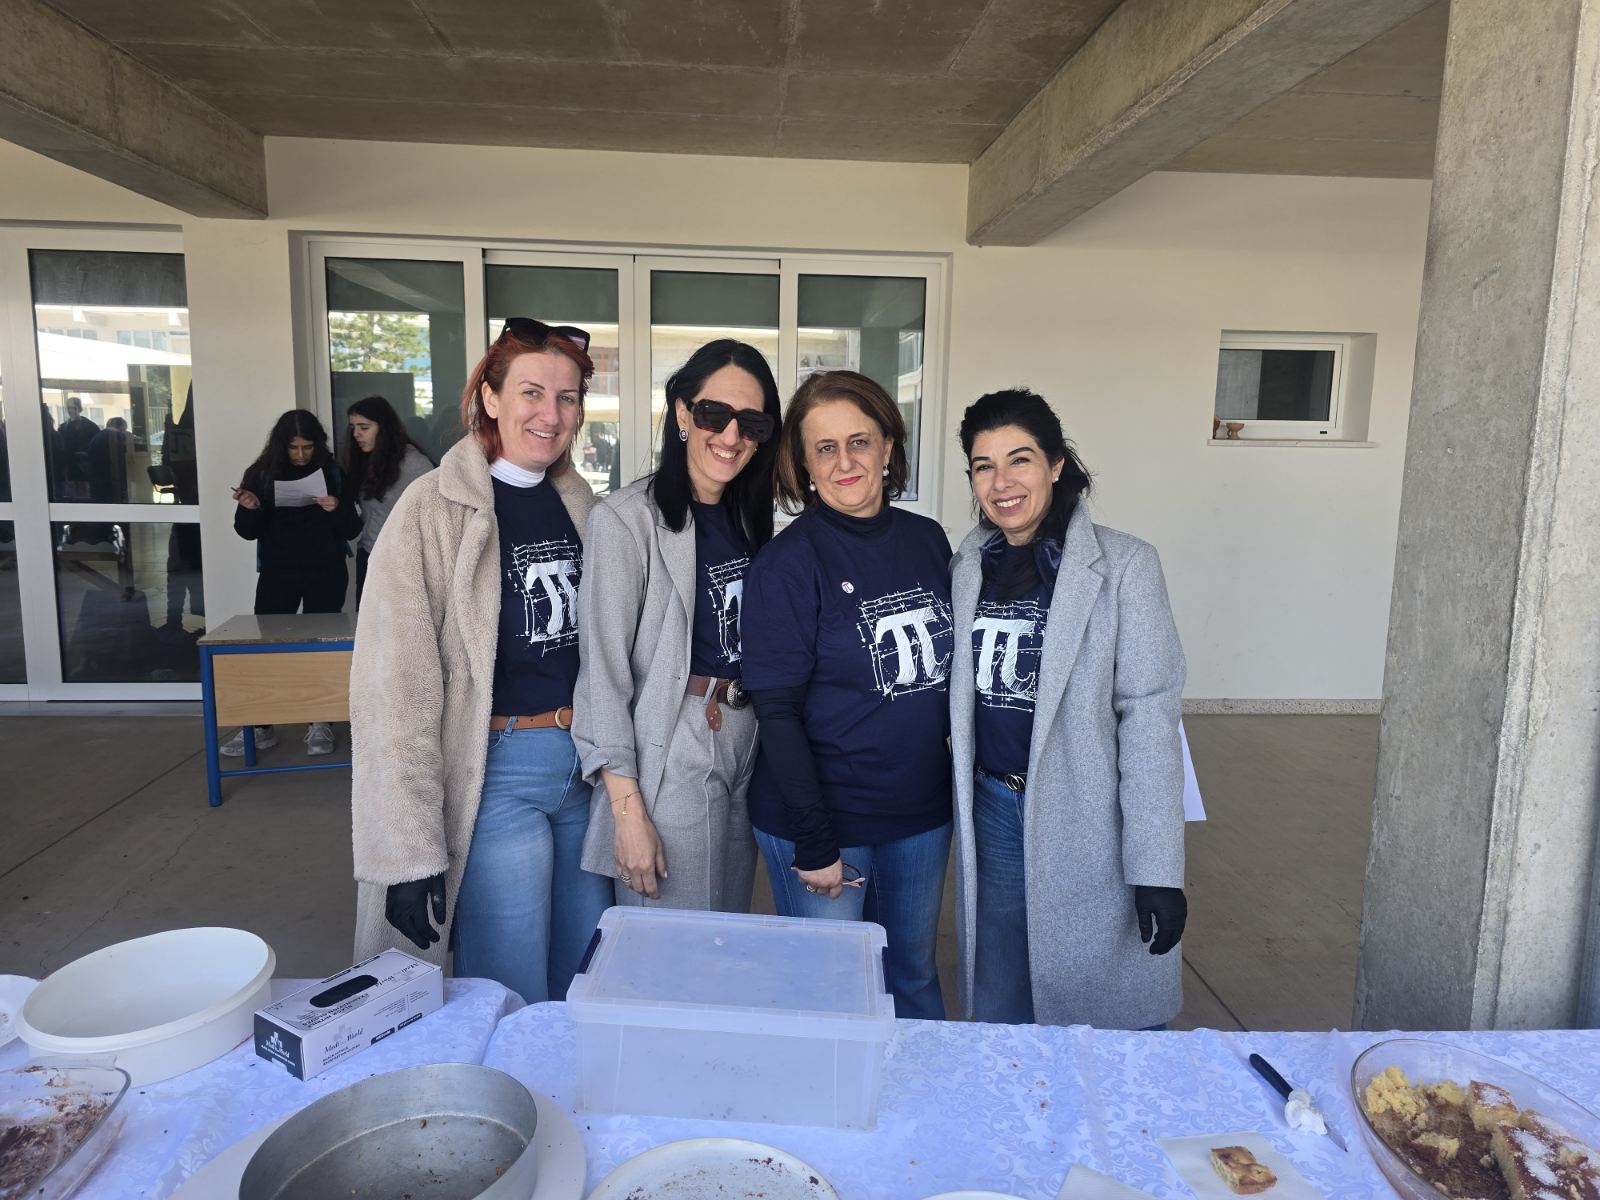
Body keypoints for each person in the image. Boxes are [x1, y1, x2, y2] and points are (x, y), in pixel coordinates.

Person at [348, 318, 611, 1005]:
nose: (551, 414)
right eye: (531, 392)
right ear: (490, 398)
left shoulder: (582, 507)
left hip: (584, 771)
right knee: (507, 987)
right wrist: (407, 853)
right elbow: (394, 688)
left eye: (567, 398)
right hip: (496, 772)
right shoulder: (433, 510)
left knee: (585, 979)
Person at [949, 388, 1187, 1030]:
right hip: (993, 805)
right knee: (999, 987)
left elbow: (1148, 718)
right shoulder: (968, 564)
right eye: (983, 466)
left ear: (1056, 464)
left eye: (1019, 460)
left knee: (1102, 1002)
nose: (1001, 483)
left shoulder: (1126, 565)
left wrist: (1157, 868)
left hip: (1088, 811)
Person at [741, 370, 955, 1020]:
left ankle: (921, 1089)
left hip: (919, 814)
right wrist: (815, 840)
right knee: (831, 994)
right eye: (825, 448)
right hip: (825, 819)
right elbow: (777, 712)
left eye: (859, 441)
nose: (845, 462)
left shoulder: (928, 541)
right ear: (804, 465)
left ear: (888, 446)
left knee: (912, 974)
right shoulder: (786, 564)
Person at [573, 340, 781, 911]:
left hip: (746, 737)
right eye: (715, 414)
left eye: (752, 422)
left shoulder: (750, 519)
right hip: (675, 739)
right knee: (674, 940)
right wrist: (627, 812)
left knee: (727, 925)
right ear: (683, 413)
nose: (732, 435)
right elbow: (603, 677)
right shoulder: (625, 521)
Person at [228, 410, 361, 758]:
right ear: (280, 445)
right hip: (278, 571)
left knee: (321, 647)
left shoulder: (332, 472)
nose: (301, 455)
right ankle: (260, 725)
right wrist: (250, 507)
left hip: (326, 570)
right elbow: (246, 532)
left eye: (307, 447)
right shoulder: (261, 473)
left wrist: (336, 507)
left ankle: (320, 722)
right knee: (268, 647)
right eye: (293, 447)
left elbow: (351, 529)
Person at [342, 394, 434, 603]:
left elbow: (433, 512)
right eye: (353, 427)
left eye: (364, 427)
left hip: (403, 560)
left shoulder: (414, 464)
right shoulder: (363, 460)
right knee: (366, 620)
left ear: (384, 428)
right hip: (369, 552)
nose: (356, 434)